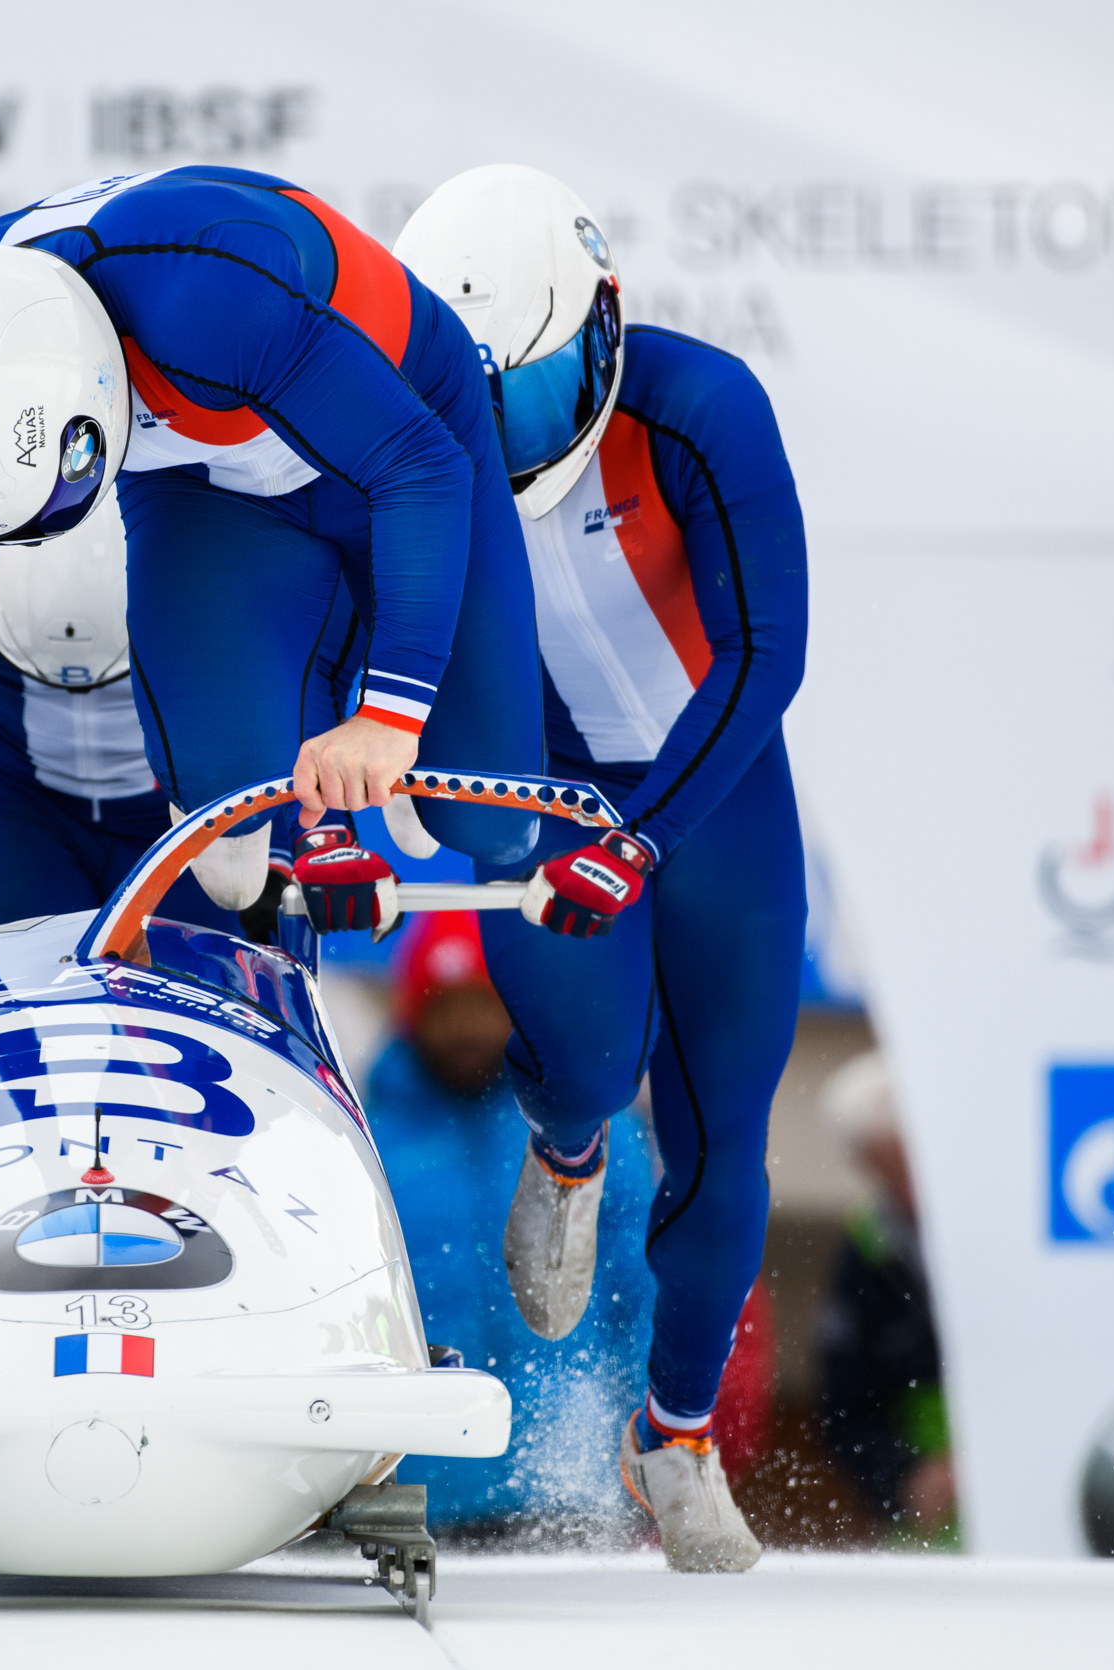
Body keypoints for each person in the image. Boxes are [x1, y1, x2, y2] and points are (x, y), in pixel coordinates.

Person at [0, 165, 639, 1017]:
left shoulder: (205, 299)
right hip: (208, 481)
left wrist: (390, 715)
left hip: (407, 429)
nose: (46, 533)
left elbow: (420, 467)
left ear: (90, 381)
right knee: (225, 853)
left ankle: (392, 709)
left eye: (65, 496)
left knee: (486, 823)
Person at [391, 165, 809, 1572]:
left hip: (709, 787)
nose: (507, 437)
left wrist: (647, 835)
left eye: (535, 391)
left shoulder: (704, 410)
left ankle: (675, 1431)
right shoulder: (409, 439)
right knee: (584, 1056)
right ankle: (566, 1148)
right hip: (547, 785)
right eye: (480, 400)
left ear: (605, 325)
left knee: (721, 1133)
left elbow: (767, 651)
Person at [369, 914, 770, 1536]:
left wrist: (651, 1429)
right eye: (445, 1006)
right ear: (412, 1014)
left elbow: (642, 1294)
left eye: (484, 1003)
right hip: (416, 1491)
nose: (466, 1028)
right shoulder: (366, 1140)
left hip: (567, 1481)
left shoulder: (582, 1129)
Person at [0, 498, 229, 929]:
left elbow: (289, 641)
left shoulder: (195, 473)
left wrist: (288, 837)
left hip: (181, 813)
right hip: (11, 807)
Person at [807, 1052, 956, 1549]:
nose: (911, 1193)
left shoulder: (1014, 1234)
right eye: (890, 1174)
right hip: (926, 1534)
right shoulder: (866, 1249)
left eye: (916, 1163)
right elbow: (845, 1403)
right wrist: (902, 1479)